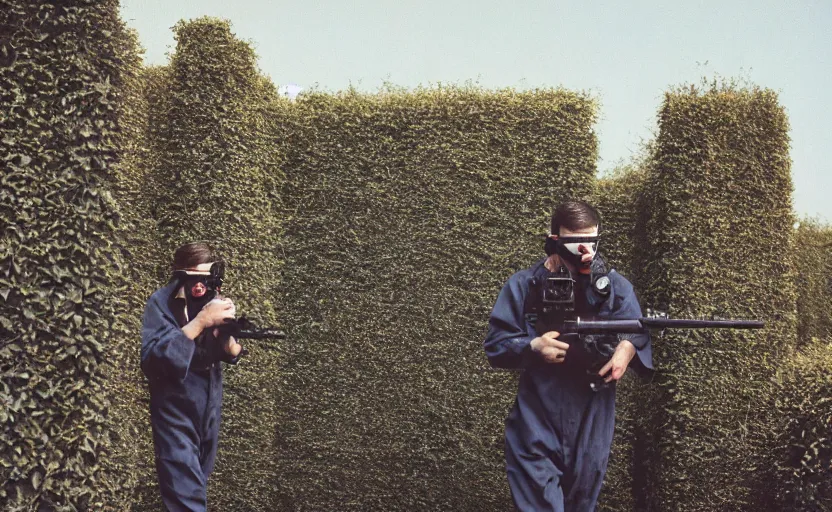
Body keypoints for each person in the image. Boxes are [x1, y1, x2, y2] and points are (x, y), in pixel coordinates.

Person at [483, 200, 653, 512]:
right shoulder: (525, 284)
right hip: (538, 414)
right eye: (575, 242)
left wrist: (625, 351)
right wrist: (533, 346)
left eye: (591, 240)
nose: (584, 250)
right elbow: (496, 343)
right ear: (555, 240)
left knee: (582, 500)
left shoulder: (614, 287)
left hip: (593, 413)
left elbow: (637, 330)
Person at [141, 242, 244, 512]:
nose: (201, 287)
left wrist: (229, 343)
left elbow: (226, 351)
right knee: (184, 485)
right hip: (174, 400)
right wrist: (200, 322)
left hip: (209, 398)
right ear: (180, 275)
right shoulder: (160, 303)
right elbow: (154, 359)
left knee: (198, 475)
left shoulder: (212, 300)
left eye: (207, 280)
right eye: (195, 280)